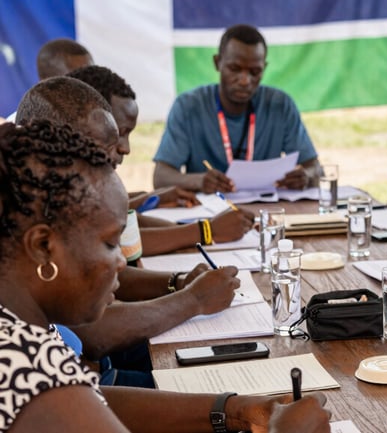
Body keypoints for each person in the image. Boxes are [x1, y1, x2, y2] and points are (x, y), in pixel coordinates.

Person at [0, 119, 331, 432]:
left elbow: (90, 395)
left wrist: (239, 411)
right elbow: (64, 396)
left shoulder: (22, 331)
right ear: (43, 246)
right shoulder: (22, 363)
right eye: (110, 243)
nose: (121, 263)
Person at [15, 76, 244, 387]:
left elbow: (107, 262)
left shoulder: (59, 196)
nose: (124, 148)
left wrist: (176, 283)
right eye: (113, 139)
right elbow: (93, 334)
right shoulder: (25, 218)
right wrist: (193, 297)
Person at [67, 65, 254, 256]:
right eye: (119, 134)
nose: (126, 148)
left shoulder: (88, 180)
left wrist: (150, 201)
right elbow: (117, 244)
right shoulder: (58, 185)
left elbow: (124, 220)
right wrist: (206, 231)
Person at [153, 24, 320, 193]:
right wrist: (200, 181)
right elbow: (161, 177)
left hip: (267, 210)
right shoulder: (189, 107)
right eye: (235, 69)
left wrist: (306, 175)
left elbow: (315, 168)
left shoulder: (280, 105)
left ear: (264, 68)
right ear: (218, 63)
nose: (245, 80)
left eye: (255, 72)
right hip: (209, 213)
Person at [5, 37, 94, 122]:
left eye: (93, 74)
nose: (89, 85)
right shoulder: (17, 129)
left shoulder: (101, 121)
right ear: (47, 82)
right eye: (78, 78)